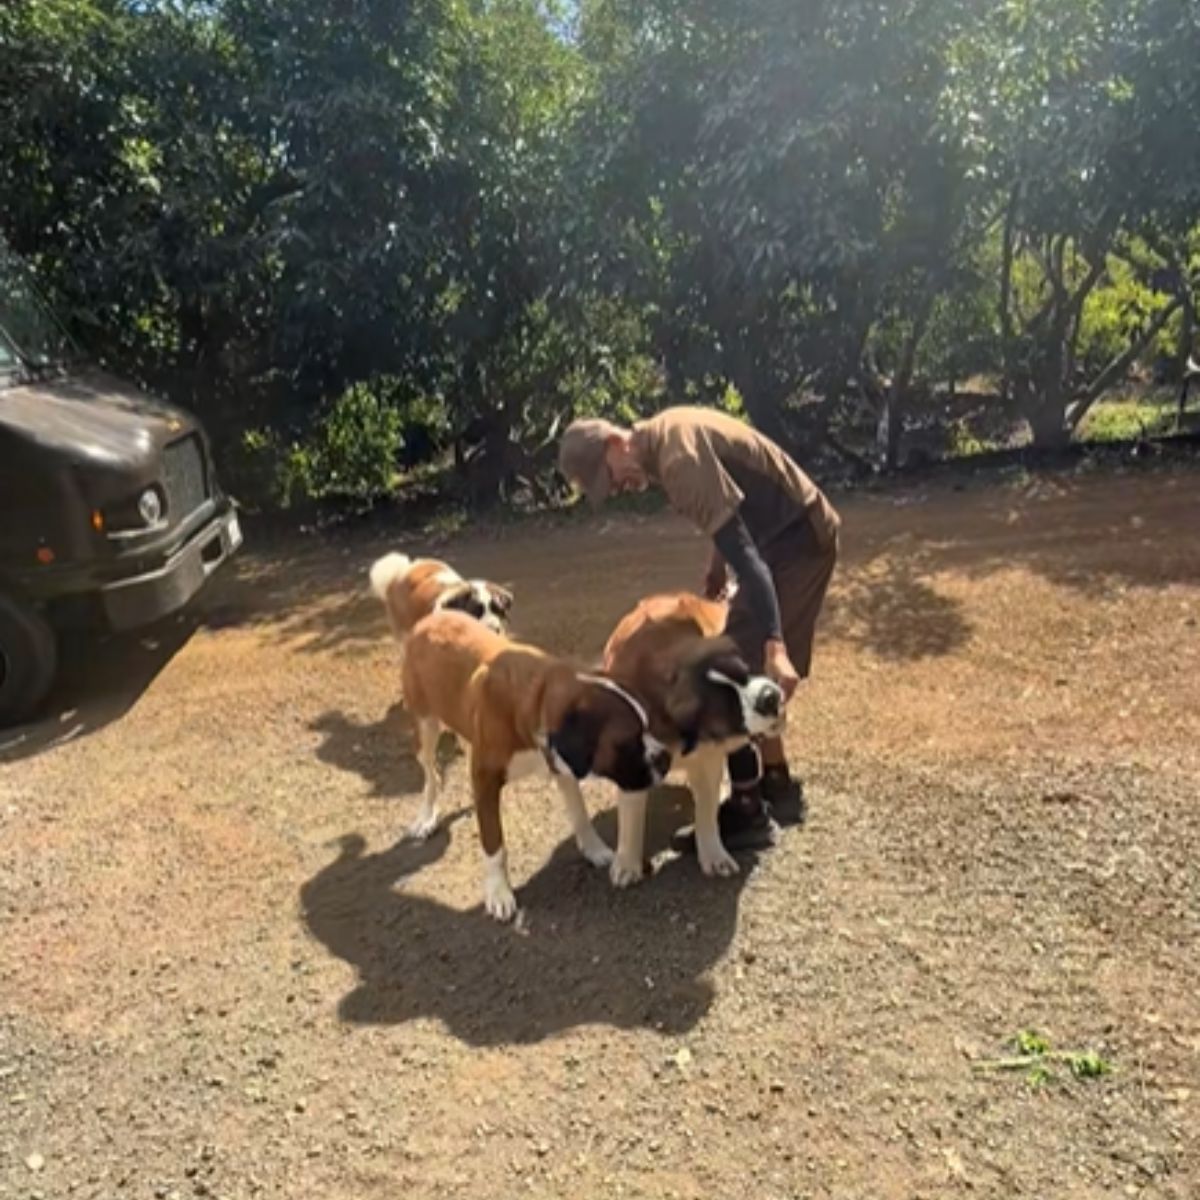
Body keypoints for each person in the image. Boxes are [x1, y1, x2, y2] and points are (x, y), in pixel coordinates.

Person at [557, 405, 840, 850]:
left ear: (615, 443)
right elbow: (730, 510)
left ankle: (748, 810)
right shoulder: (665, 438)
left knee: (731, 668)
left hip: (795, 539)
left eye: (609, 477)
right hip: (786, 531)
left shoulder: (677, 461)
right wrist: (716, 565)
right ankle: (776, 782)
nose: (617, 489)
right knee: (743, 657)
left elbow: (752, 562)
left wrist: (775, 643)